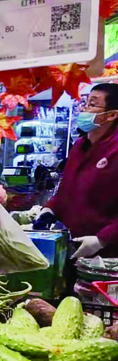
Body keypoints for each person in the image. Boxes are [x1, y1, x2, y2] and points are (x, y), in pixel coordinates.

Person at [33, 84, 118, 258]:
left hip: (109, 255)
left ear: (112, 115)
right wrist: (49, 209)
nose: (84, 109)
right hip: (71, 246)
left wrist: (102, 239)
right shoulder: (79, 146)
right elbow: (67, 190)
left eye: (92, 105)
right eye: (85, 103)